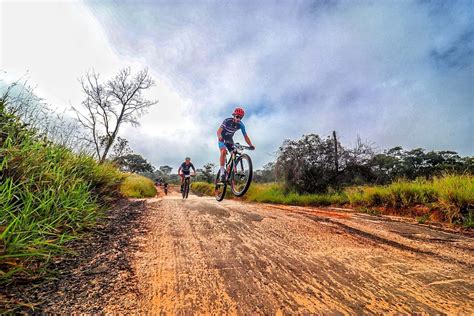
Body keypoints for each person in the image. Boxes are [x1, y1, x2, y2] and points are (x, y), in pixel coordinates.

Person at [217, 107, 255, 182]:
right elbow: (218, 131)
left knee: (234, 153)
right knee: (223, 151)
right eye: (237, 117)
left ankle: (229, 169)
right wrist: (220, 136)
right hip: (222, 138)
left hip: (230, 140)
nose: (238, 119)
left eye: (240, 118)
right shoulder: (227, 121)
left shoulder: (241, 125)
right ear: (234, 115)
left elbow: (245, 136)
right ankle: (222, 172)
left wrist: (251, 145)